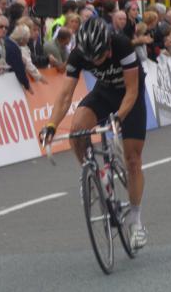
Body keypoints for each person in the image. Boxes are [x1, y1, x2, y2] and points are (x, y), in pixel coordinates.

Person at [40, 18, 148, 250]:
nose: (96, 62)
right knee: (77, 132)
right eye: (92, 59)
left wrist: (118, 118)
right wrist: (51, 125)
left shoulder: (122, 46)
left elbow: (131, 91)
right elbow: (65, 95)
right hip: (104, 92)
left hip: (130, 96)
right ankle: (93, 175)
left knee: (133, 159)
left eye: (99, 56)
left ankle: (135, 220)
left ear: (108, 45)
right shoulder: (79, 54)